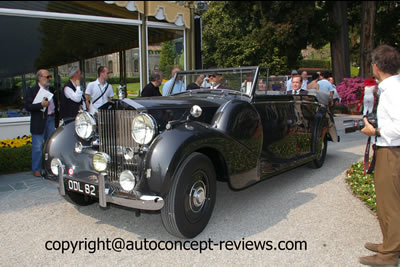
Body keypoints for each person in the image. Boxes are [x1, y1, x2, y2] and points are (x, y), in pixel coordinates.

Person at [360, 44, 400, 267]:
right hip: (391, 150)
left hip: (392, 151)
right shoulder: (394, 87)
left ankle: (389, 255)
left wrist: (375, 131)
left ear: (376, 67)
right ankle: (390, 243)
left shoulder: (392, 91)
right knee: (391, 202)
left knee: (390, 204)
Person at [24, 69, 58, 177]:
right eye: (47, 77)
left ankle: (49, 168)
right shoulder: (32, 90)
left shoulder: (52, 90)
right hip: (39, 121)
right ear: (39, 78)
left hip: (51, 119)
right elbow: (28, 106)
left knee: (51, 146)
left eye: (49, 77)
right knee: (38, 147)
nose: (49, 79)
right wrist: (40, 105)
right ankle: (36, 169)